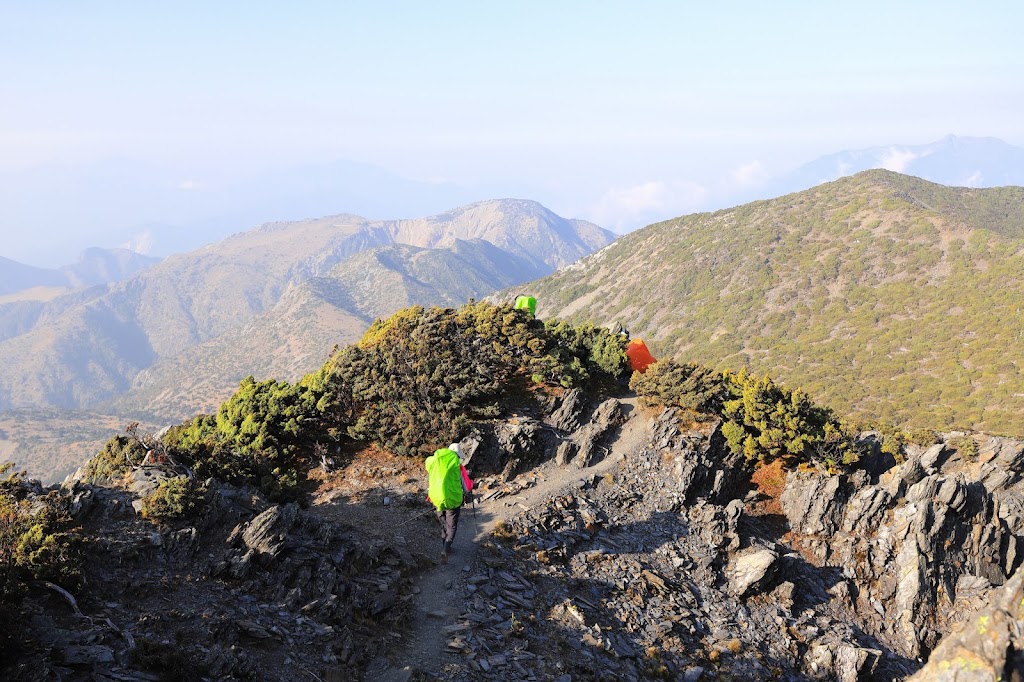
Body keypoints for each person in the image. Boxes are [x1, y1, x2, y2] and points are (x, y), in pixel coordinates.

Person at [425, 443, 474, 564]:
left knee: (444, 524)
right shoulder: (458, 466)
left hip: (436, 499)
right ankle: (446, 550)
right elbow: (467, 487)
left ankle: (445, 547)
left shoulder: (434, 462)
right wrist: (470, 485)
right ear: (457, 455)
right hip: (452, 500)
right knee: (451, 526)